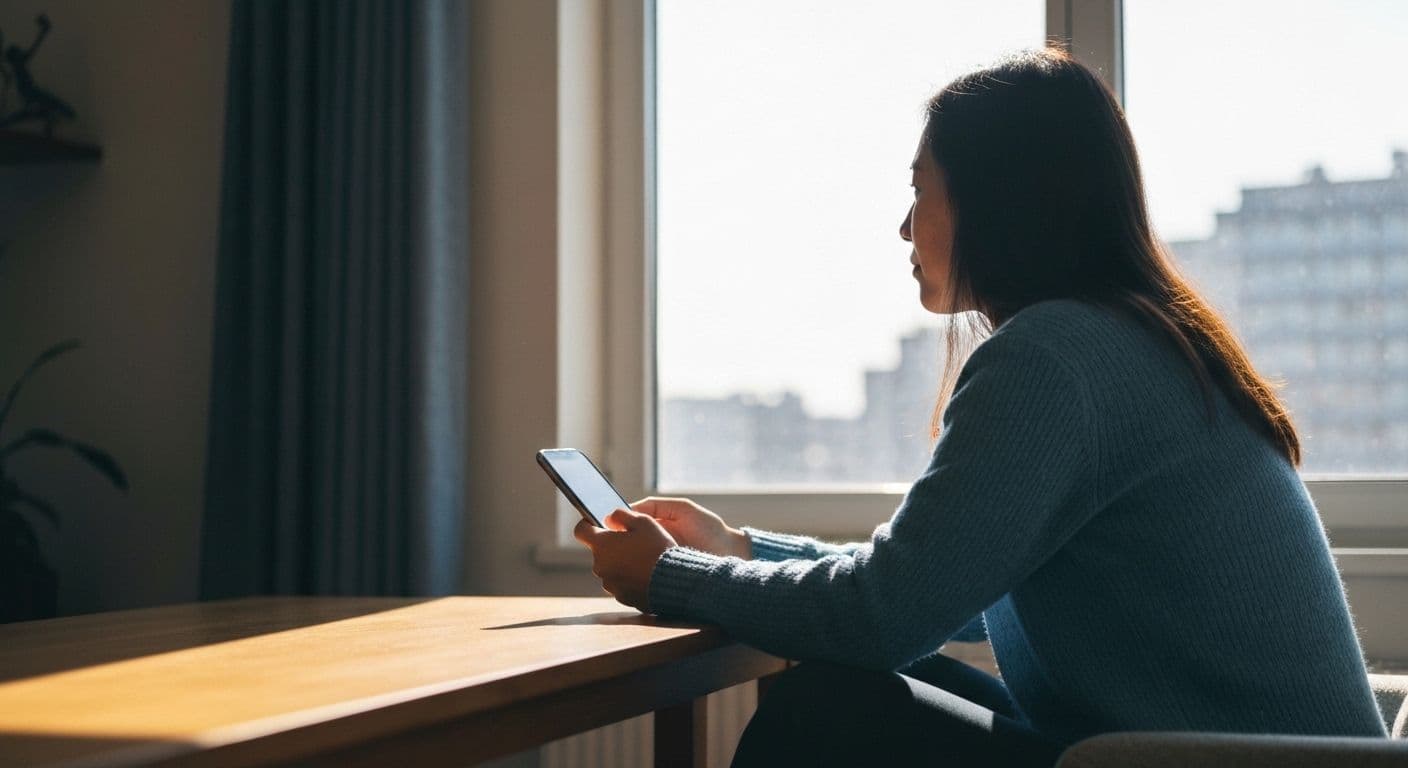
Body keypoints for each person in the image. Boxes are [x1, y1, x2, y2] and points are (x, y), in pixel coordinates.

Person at [573, 48, 1388, 767]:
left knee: (829, 706)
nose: (904, 227)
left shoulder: (1057, 356)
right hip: (1204, 753)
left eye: (919, 190)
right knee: (878, 675)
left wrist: (673, 576)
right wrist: (740, 549)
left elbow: (882, 615)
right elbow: (931, 585)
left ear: (995, 199)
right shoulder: (1125, 337)